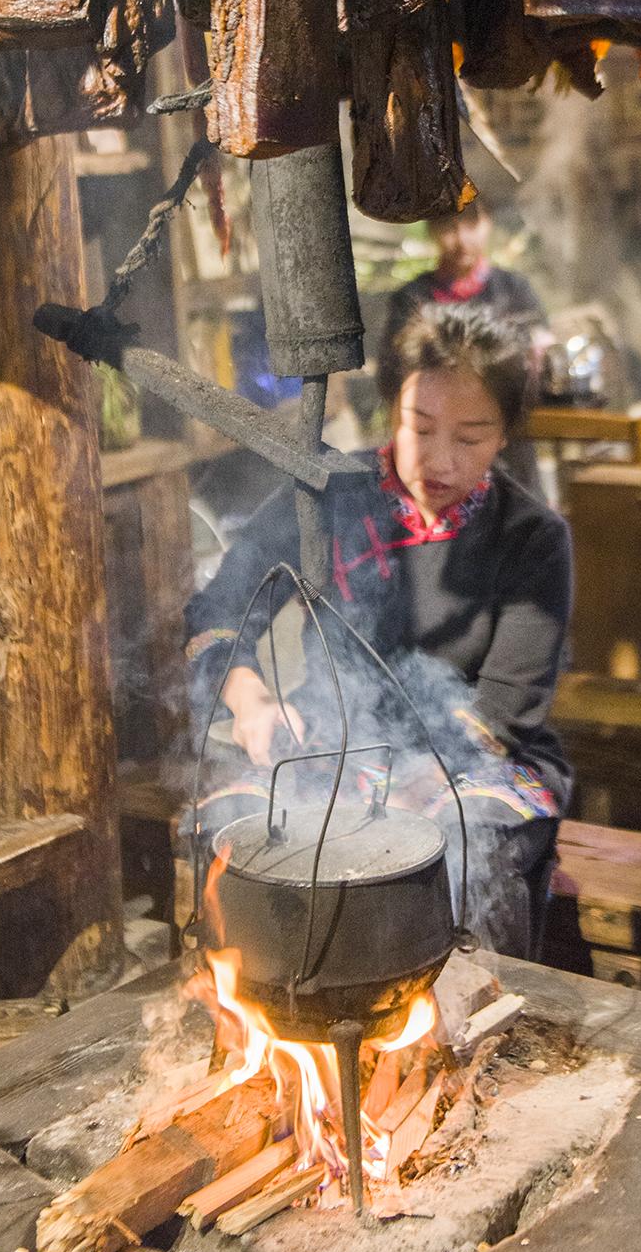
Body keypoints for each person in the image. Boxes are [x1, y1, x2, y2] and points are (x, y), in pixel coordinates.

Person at [183, 306, 573, 960]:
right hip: (328, 748)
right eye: (419, 429)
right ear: (389, 410)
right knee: (233, 829)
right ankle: (259, 1022)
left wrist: (415, 780)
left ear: (504, 435)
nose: (440, 461)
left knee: (464, 842)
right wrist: (249, 699)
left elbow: (505, 707)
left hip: (477, 762)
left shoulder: (531, 536)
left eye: (471, 437)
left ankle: (471, 1024)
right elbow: (219, 607)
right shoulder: (327, 497)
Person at [379, 200, 547, 490]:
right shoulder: (411, 299)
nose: (462, 239)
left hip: (512, 456)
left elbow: (537, 363)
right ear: (431, 230)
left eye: (471, 224)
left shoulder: (515, 291)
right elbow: (390, 377)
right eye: (448, 226)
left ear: (488, 223)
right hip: (433, 459)